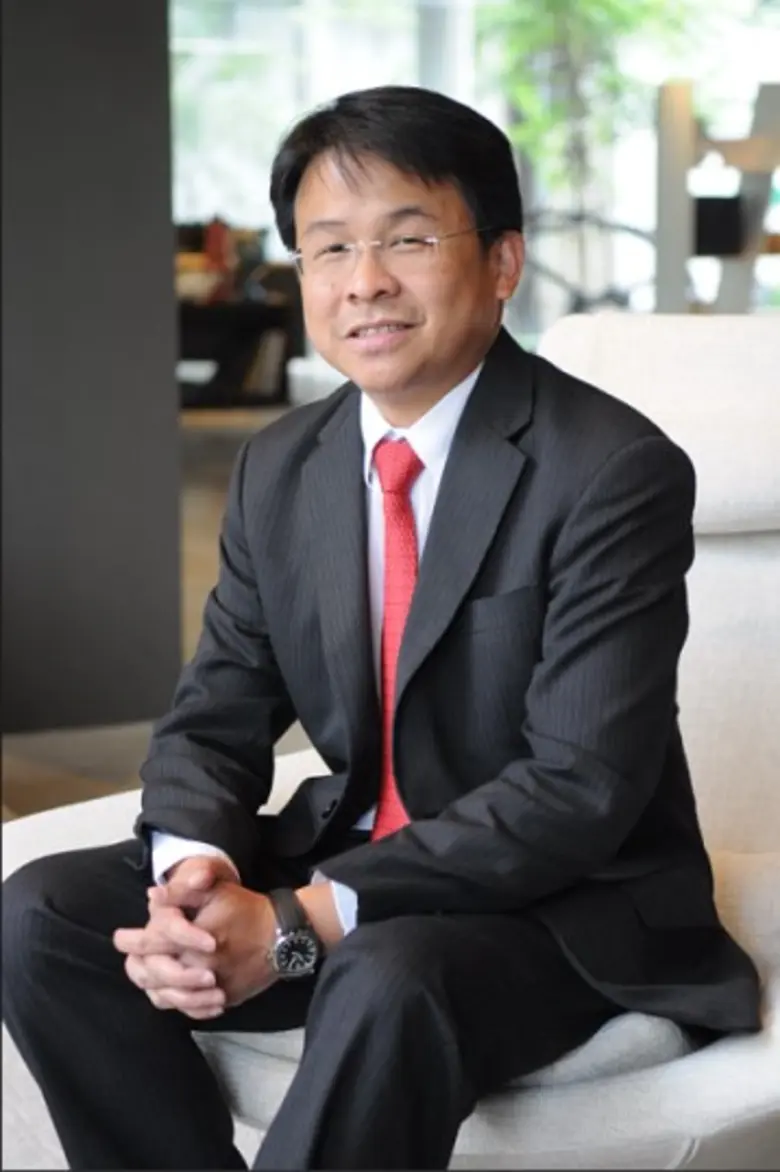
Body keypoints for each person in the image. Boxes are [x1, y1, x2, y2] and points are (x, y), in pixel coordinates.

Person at [2, 85, 761, 1171]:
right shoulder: (284, 466)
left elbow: (578, 788)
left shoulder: (611, 470)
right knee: (44, 913)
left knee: (384, 972)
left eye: (407, 239)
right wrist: (196, 876)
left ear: (502, 260)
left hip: (559, 906)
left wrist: (301, 918)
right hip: (353, 867)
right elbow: (216, 711)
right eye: (328, 248)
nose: (364, 281)